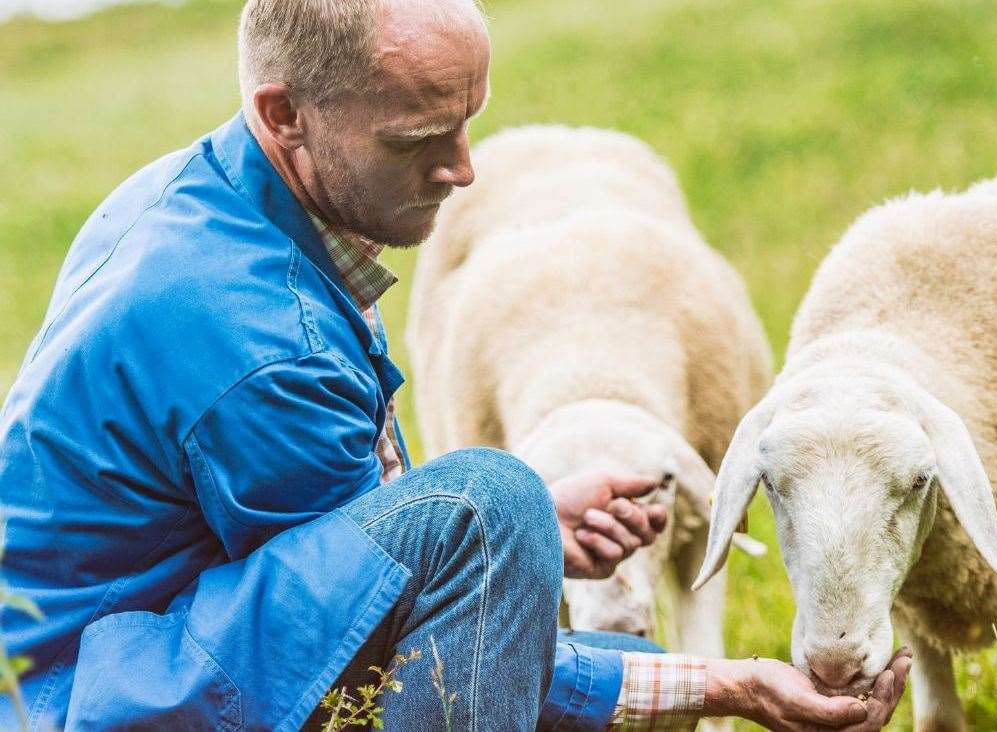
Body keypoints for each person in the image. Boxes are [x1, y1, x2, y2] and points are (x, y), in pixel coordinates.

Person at [0, 0, 912, 729]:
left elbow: (338, 564)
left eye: (466, 123)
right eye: (416, 140)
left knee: (500, 512)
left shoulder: (187, 197)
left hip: (79, 662)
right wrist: (730, 685)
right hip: (97, 699)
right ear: (286, 114)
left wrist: (530, 531)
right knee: (488, 501)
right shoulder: (264, 350)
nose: (464, 170)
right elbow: (396, 653)